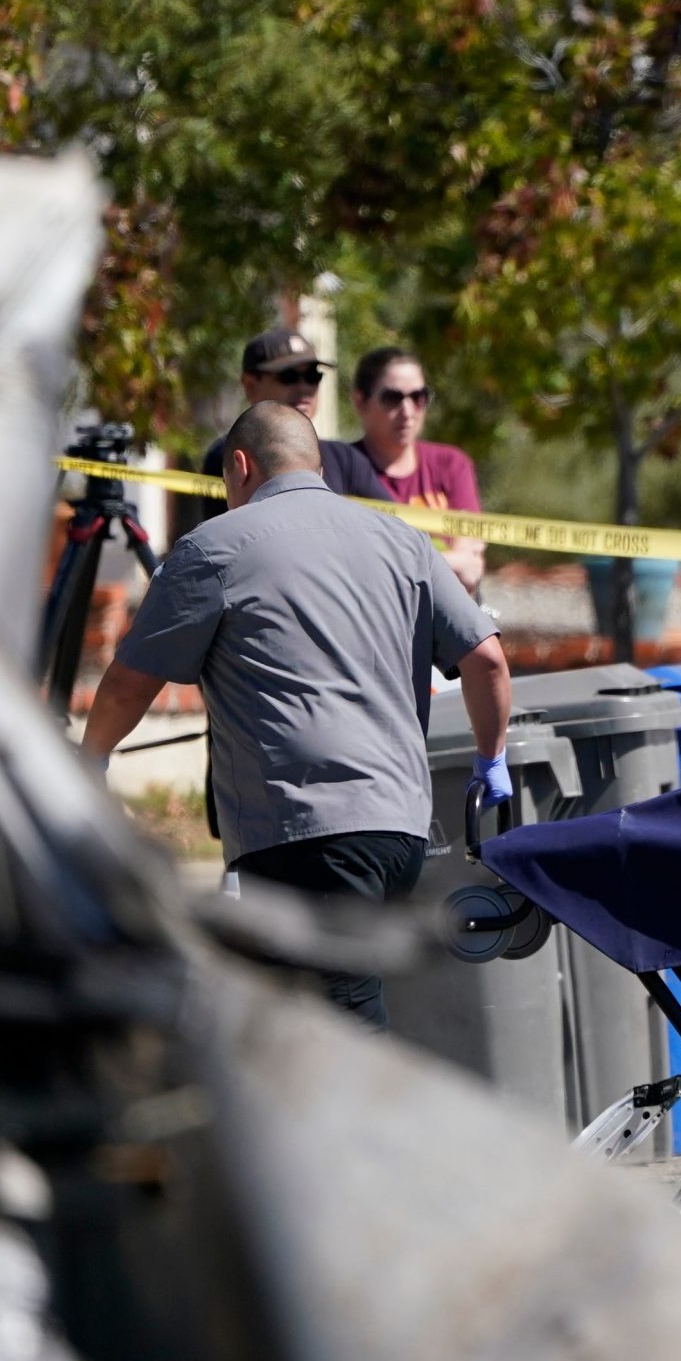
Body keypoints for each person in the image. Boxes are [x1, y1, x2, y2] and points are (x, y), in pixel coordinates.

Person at [84, 402, 513, 1028]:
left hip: (306, 832)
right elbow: (489, 661)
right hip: (399, 831)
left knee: (336, 1031)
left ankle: (370, 1129)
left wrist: (90, 760)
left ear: (239, 466)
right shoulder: (403, 541)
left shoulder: (214, 549)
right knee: (297, 1016)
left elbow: (127, 684)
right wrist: (490, 757)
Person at [178, 328, 386, 540]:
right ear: (250, 386)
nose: (304, 387)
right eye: (288, 376)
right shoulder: (227, 456)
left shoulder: (346, 459)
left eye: (312, 376)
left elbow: (394, 525)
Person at [351, 345, 488, 594]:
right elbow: (354, 567)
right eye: (392, 398)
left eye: (418, 397)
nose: (407, 411)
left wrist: (394, 567)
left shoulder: (451, 464)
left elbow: (469, 569)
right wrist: (448, 563)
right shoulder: (342, 467)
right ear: (360, 402)